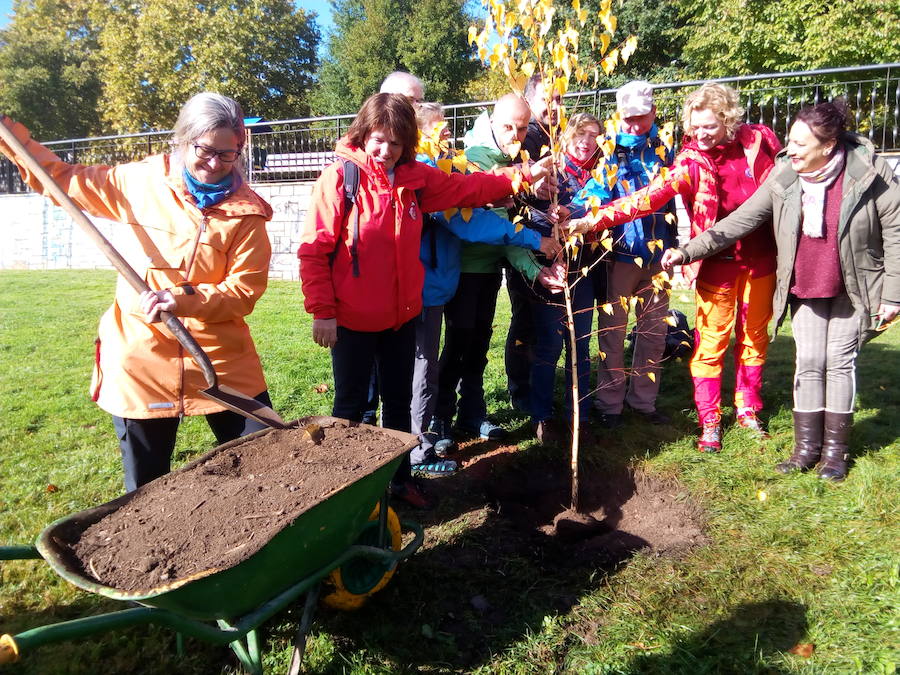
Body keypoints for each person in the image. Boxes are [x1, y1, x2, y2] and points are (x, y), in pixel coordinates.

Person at [0, 93, 276, 492]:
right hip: (142, 354)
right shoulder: (138, 182)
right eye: (204, 150)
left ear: (240, 149)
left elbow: (243, 291)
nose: (215, 164)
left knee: (268, 458)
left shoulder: (248, 213)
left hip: (220, 355)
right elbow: (60, 177)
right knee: (146, 487)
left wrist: (180, 300)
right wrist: (10, 137)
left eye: (227, 154)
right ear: (184, 139)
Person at [298, 93, 551, 507]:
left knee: (398, 404)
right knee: (349, 408)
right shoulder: (340, 179)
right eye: (379, 140)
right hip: (352, 320)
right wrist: (323, 312)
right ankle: (345, 495)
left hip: (401, 317)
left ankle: (398, 481)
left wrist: (522, 175)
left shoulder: (415, 179)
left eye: (396, 143)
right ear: (363, 134)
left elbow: (468, 188)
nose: (385, 151)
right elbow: (314, 250)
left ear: (407, 145)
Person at [662, 101, 900, 480]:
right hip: (806, 283)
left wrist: (893, 293)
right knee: (807, 363)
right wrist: (687, 250)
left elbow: (895, 230)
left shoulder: (868, 170)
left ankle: (835, 454)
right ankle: (805, 449)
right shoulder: (787, 172)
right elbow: (742, 219)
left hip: (853, 287)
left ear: (828, 145)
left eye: (800, 144)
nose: (790, 149)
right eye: (789, 140)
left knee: (837, 364)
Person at [588, 83, 781, 452]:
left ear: (728, 120)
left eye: (709, 126)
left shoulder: (760, 143)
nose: (700, 134)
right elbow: (648, 198)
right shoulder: (690, 160)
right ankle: (709, 419)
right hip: (716, 263)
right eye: (695, 127)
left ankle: (747, 408)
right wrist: (592, 220)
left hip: (762, 262)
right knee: (711, 343)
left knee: (754, 338)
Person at [410, 103, 560, 470]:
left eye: (522, 128)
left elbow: (508, 224)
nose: (516, 135)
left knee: (477, 343)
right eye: (509, 126)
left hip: (488, 268)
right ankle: (440, 418)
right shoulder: (471, 160)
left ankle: (472, 413)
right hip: (462, 270)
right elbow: (475, 222)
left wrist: (532, 262)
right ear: (493, 123)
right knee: (458, 344)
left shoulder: (508, 159)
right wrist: (528, 238)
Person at [587, 81, 676, 429]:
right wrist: (576, 215)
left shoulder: (666, 146)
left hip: (659, 256)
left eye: (641, 117)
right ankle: (609, 405)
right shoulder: (608, 149)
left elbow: (676, 197)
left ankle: (644, 402)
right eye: (628, 118)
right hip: (621, 255)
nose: (634, 125)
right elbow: (595, 193)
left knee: (653, 332)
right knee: (613, 331)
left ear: (653, 112)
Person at [516, 112, 603, 444]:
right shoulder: (548, 171)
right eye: (580, 134)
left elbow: (602, 206)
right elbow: (522, 215)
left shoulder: (600, 173)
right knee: (548, 346)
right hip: (550, 271)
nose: (585, 141)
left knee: (580, 346)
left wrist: (576, 213)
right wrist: (545, 217)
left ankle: (577, 413)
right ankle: (542, 416)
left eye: (593, 135)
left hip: (584, 271)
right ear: (567, 137)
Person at [505, 73, 564, 413]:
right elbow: (505, 191)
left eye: (559, 99)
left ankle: (543, 386)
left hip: (557, 240)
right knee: (525, 318)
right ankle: (522, 391)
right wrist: (528, 187)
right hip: (526, 243)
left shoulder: (560, 136)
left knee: (551, 320)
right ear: (529, 100)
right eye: (547, 99)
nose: (554, 107)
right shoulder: (522, 137)